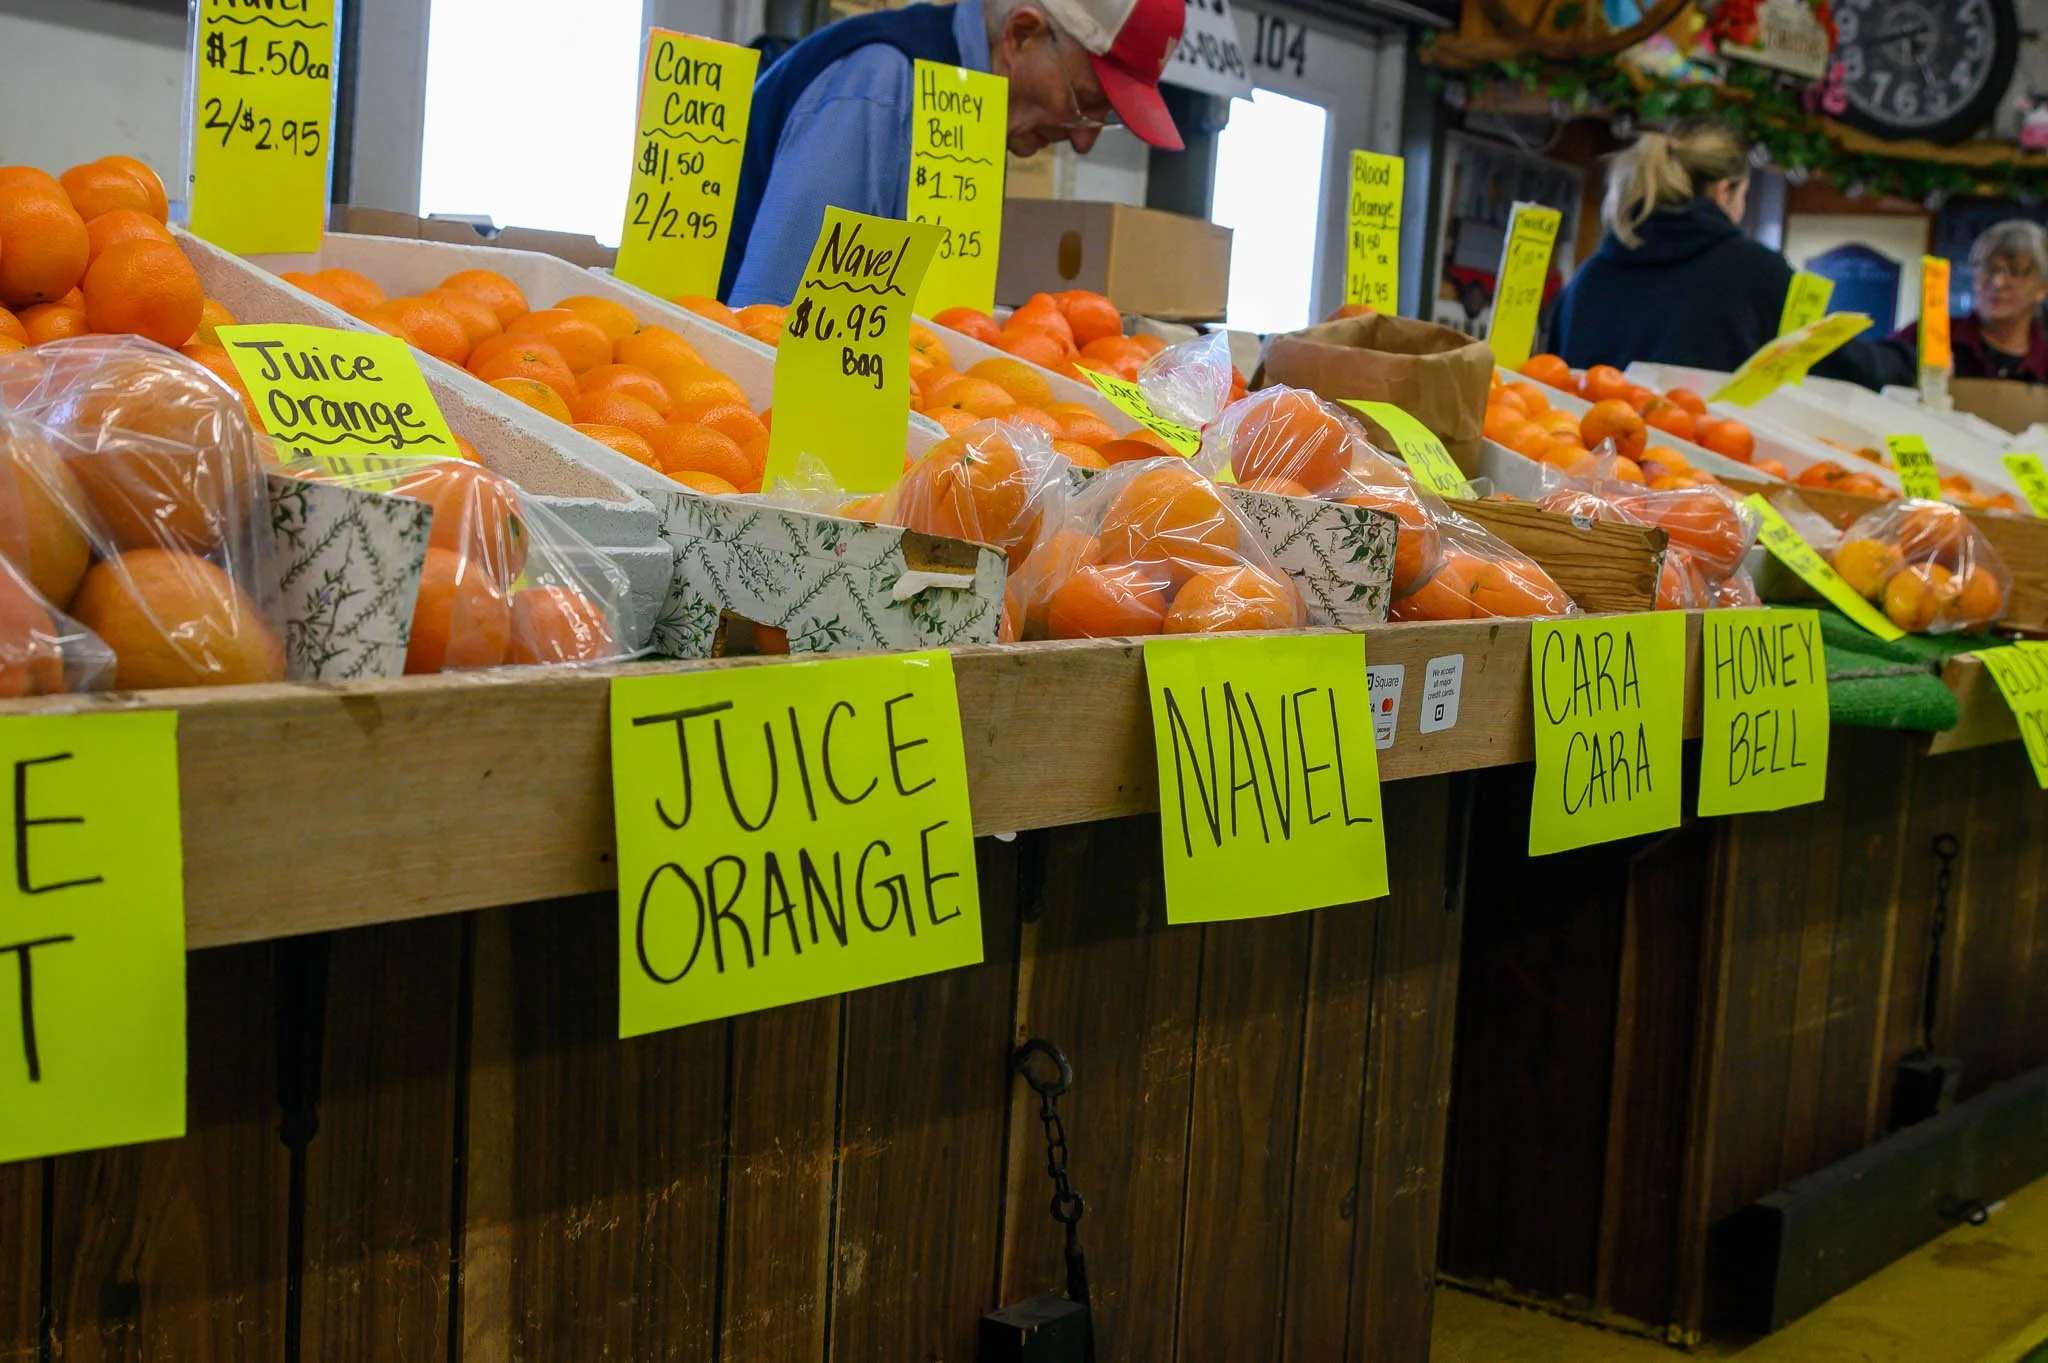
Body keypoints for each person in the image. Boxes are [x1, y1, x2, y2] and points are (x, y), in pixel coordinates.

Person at [724, 0, 1186, 307]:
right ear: (1022, 33)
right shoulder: (881, 86)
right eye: (1084, 102)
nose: (1084, 141)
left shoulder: (970, 113)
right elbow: (769, 327)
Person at [1548, 117, 1906, 390]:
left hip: (1580, 476)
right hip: (1703, 479)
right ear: (1725, 191)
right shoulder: (1756, 271)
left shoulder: (1588, 277)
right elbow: (1839, 363)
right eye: (1744, 195)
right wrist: (1910, 362)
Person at [1890, 221, 2048, 384]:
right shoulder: (1927, 335)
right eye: (1988, 268)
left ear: (2043, 287)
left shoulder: (2044, 365)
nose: (1998, 282)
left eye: (2016, 272)